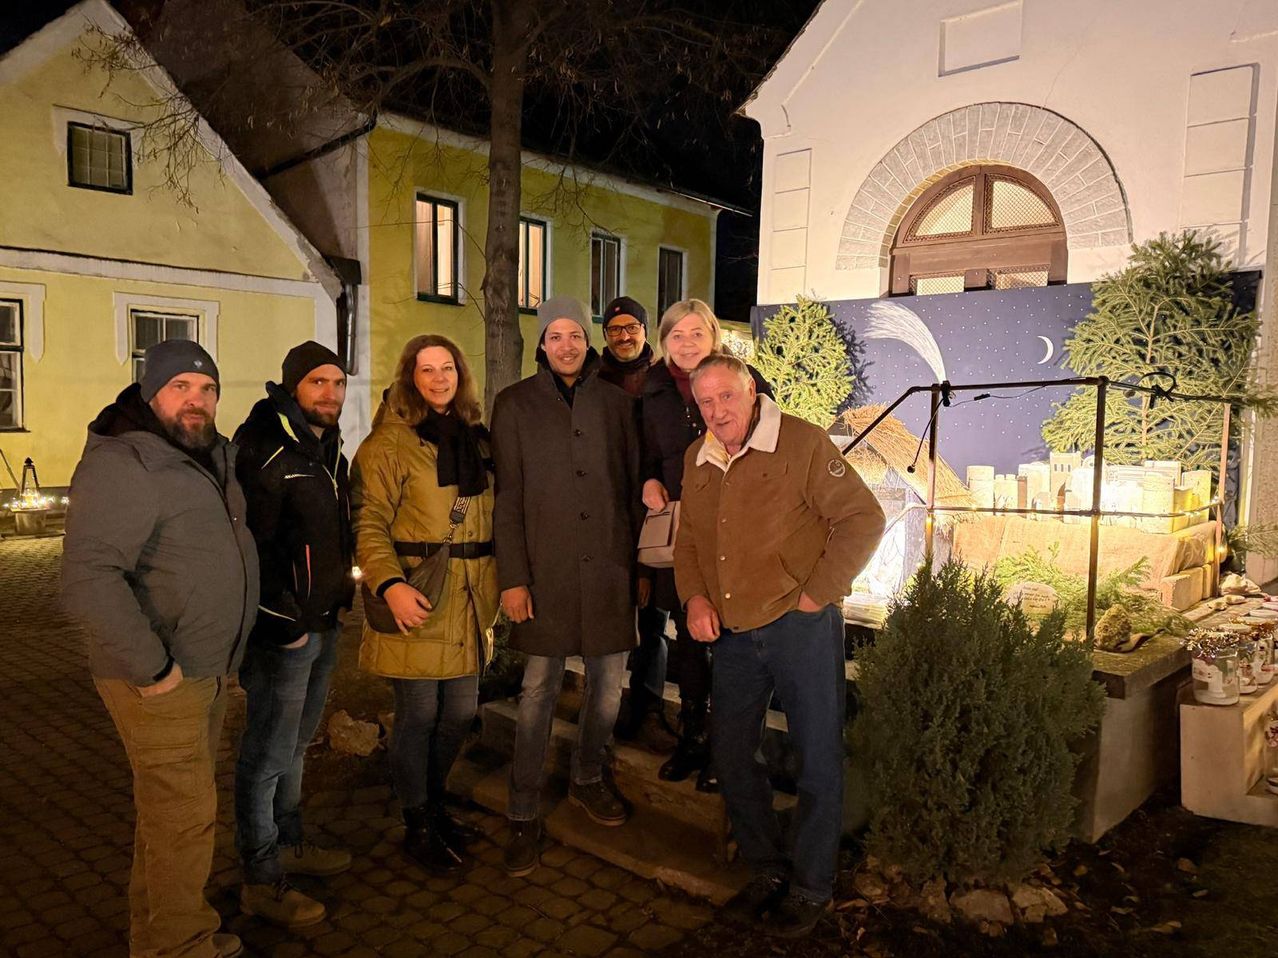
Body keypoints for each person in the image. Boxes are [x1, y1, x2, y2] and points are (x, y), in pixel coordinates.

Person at [674, 353, 885, 939]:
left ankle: (813, 884)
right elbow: (687, 539)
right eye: (706, 402)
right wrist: (694, 599)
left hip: (800, 625)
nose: (717, 412)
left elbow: (863, 519)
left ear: (751, 392)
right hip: (735, 633)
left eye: (727, 398)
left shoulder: (801, 443)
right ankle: (767, 868)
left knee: (819, 757)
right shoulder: (699, 458)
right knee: (733, 754)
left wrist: (818, 595)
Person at [62, 340, 259, 958]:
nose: (196, 401)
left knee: (170, 817)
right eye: (181, 388)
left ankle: (161, 935)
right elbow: (88, 577)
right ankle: (177, 945)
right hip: (161, 676)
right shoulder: (127, 463)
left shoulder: (207, 457)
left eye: (207, 390)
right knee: (183, 819)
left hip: (204, 668)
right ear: (151, 393)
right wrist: (154, 670)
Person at [491, 295, 644, 877]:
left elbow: (630, 490)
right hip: (546, 572)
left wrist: (637, 573)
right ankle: (523, 811)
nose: (566, 344)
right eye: (555, 335)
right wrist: (514, 579)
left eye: (575, 334)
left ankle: (585, 776)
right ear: (541, 343)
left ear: (588, 340)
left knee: (608, 688)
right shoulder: (515, 405)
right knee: (537, 693)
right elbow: (508, 499)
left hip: (607, 567)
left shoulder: (615, 405)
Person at [351, 334, 498, 876]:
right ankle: (417, 822)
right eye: (426, 370)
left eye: (448, 369)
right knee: (418, 715)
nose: (439, 379)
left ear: (460, 375)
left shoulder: (477, 440)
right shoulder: (387, 445)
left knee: (459, 713)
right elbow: (368, 523)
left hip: (469, 598)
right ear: (410, 376)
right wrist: (388, 584)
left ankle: (434, 804)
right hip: (418, 593)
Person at [231, 341, 355, 928]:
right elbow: (249, 550)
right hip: (283, 636)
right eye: (317, 383)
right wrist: (284, 627)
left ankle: (290, 843)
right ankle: (259, 875)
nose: (330, 393)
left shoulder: (329, 449)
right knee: (266, 753)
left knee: (297, 747)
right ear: (291, 388)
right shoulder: (263, 449)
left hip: (323, 623)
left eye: (336, 382)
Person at [640, 299, 772, 790]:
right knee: (689, 636)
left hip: (739, 527)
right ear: (665, 341)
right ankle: (692, 738)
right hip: (684, 530)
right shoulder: (651, 390)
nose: (688, 343)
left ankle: (728, 748)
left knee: (735, 640)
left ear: (713, 336)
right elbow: (645, 454)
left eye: (698, 333)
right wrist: (649, 482)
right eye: (678, 335)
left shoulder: (750, 382)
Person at [596, 295, 674, 752]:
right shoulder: (595, 380)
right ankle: (605, 706)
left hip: (655, 511)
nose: (624, 336)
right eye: (614, 329)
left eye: (632, 327)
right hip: (607, 514)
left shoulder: (662, 380)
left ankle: (647, 705)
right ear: (605, 335)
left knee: (654, 622)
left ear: (645, 331)